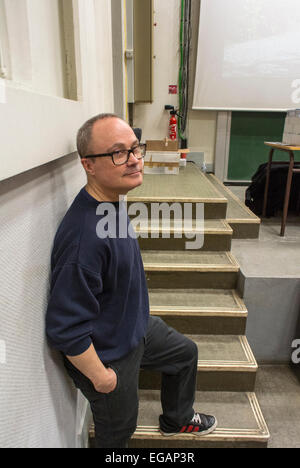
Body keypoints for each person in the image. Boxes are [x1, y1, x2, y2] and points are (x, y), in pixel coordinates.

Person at [45, 113, 217, 448]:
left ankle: (177, 419)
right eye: (118, 153)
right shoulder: (84, 240)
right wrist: (102, 377)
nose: (134, 160)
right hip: (108, 355)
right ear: (88, 165)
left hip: (134, 328)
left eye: (135, 149)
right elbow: (65, 328)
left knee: (184, 354)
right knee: (119, 432)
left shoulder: (109, 202)